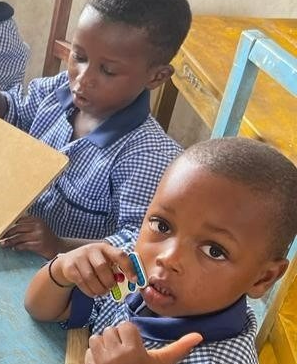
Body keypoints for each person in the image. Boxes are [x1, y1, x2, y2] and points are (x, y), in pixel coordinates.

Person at [0, 0, 188, 258]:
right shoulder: (60, 91)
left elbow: (141, 246)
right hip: (4, 243)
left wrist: (60, 245)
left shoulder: (147, 157)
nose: (83, 79)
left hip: (66, 279)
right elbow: (18, 113)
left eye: (108, 71)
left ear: (156, 77)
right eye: (79, 57)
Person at [24, 138, 297, 364]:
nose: (168, 258)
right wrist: (62, 270)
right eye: (162, 225)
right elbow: (40, 308)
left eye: (214, 250)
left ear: (263, 278)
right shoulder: (130, 270)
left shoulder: (224, 359)